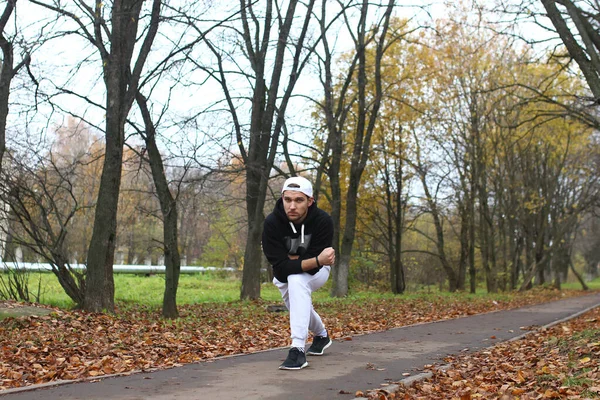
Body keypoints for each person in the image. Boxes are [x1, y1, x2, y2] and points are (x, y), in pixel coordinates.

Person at [262, 176, 335, 370]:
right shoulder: (272, 223)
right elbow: (279, 265)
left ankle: (297, 350)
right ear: (282, 198)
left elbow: (312, 267)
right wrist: (316, 258)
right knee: (299, 306)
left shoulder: (322, 221)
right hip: (289, 273)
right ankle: (321, 335)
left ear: (310, 201)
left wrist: (301, 262)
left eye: (299, 200)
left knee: (297, 279)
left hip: (318, 272)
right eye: (288, 200)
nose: (292, 206)